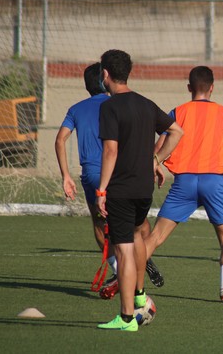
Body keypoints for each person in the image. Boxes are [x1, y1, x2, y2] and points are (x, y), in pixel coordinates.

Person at [54, 63, 166, 302]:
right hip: (124, 172)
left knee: (100, 225)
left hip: (95, 174)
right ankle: (140, 260)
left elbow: (60, 140)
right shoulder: (121, 104)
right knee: (137, 227)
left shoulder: (77, 109)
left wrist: (65, 175)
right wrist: (153, 161)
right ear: (106, 79)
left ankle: (120, 271)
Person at [144, 65, 223, 303]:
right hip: (214, 183)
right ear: (212, 88)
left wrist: (155, 164)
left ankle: (124, 277)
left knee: (156, 236)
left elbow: (159, 147)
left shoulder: (177, 112)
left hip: (184, 183)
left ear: (189, 88)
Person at [96, 50, 183, 331]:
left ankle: (126, 318)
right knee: (135, 241)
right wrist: (156, 161)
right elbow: (177, 132)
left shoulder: (109, 107)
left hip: (121, 189)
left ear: (106, 74)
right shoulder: (146, 104)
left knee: (122, 252)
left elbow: (111, 150)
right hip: (144, 188)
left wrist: (101, 190)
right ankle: (141, 295)